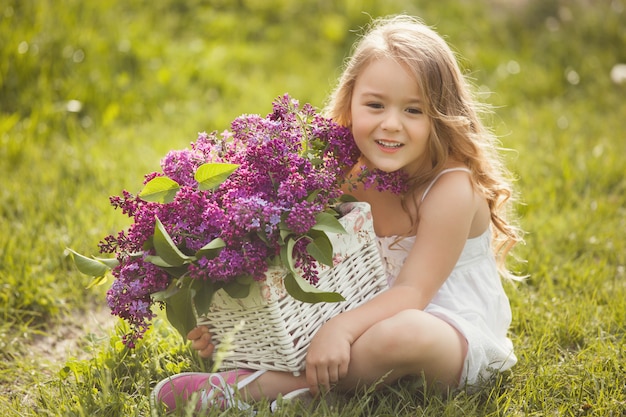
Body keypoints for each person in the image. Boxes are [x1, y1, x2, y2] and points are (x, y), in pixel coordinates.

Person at [151, 14, 523, 414]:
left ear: (441, 115)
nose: (391, 124)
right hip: (364, 313)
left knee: (405, 334)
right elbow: (293, 263)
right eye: (375, 105)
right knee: (342, 328)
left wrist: (341, 328)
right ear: (350, 101)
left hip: (446, 329)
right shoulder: (348, 172)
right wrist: (227, 327)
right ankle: (291, 377)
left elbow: (413, 294)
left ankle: (262, 388)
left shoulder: (451, 188)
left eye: (414, 111)